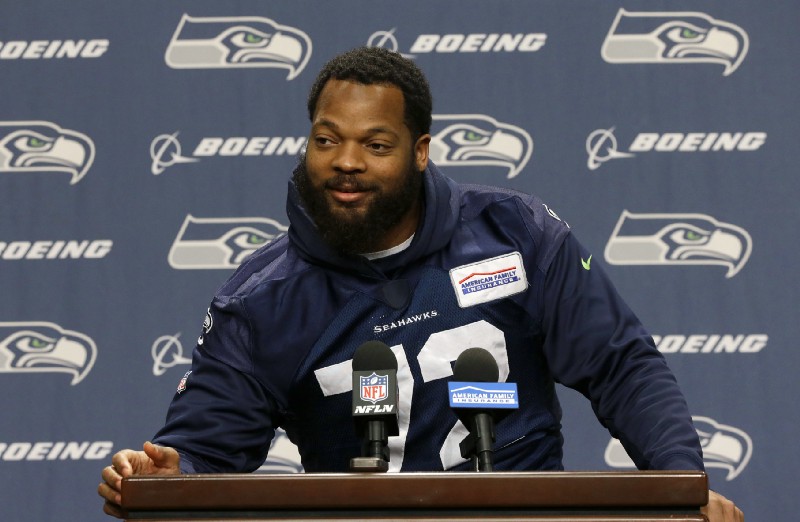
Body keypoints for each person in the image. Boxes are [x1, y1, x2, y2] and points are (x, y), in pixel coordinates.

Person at [98, 47, 743, 521]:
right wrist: (168, 471)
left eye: (375, 144)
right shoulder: (264, 299)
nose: (346, 161)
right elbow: (205, 446)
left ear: (420, 150)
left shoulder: (515, 233)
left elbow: (620, 365)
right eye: (327, 140)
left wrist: (684, 485)